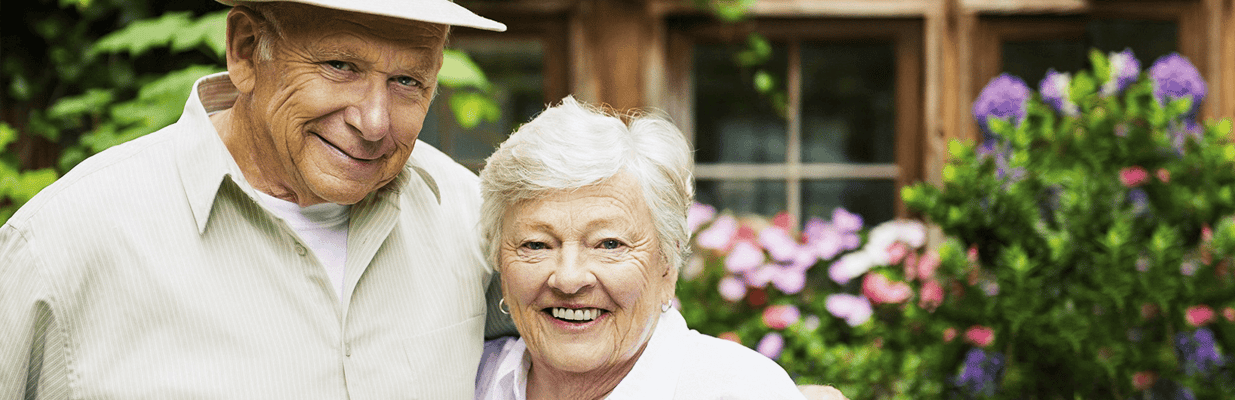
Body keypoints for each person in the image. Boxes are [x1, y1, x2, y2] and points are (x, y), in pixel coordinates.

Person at [0, 1, 514, 397]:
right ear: (246, 50)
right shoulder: (58, 247)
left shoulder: (473, 218)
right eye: (340, 65)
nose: (374, 122)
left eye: (407, 81)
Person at [474, 96, 806, 399]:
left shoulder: (743, 390)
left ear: (667, 266)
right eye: (536, 244)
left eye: (609, 244)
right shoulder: (468, 379)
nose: (568, 278)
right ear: (500, 260)